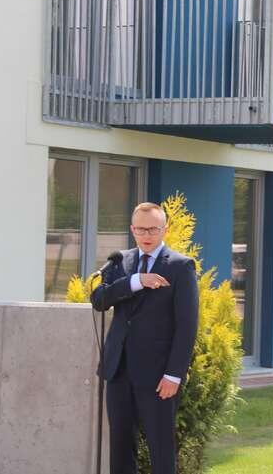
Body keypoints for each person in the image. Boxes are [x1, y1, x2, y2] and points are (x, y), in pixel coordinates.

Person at [91, 202, 199, 474]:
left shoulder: (181, 266)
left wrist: (174, 374)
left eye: (153, 229)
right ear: (132, 229)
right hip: (118, 371)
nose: (146, 235)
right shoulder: (119, 261)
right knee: (120, 448)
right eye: (140, 229)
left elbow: (187, 326)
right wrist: (135, 281)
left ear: (165, 229)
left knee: (160, 449)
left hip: (158, 376)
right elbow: (99, 300)